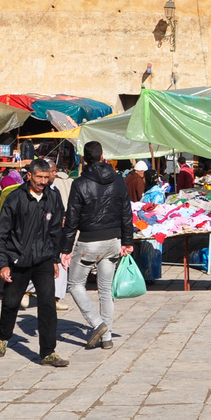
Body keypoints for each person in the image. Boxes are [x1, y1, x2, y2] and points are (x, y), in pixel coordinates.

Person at [0, 159, 68, 366]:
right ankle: (3, 338)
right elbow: (2, 232)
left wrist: (53, 259)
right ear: (29, 176)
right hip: (18, 259)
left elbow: (55, 232)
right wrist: (3, 263)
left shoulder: (52, 197)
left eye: (46, 177)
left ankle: (48, 352)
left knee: (47, 304)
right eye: (39, 177)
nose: (42, 181)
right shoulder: (16, 199)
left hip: (43, 259)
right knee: (10, 302)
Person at [62, 141, 135, 350]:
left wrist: (66, 249)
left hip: (89, 241)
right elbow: (126, 214)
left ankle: (97, 323)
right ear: (103, 157)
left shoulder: (79, 183)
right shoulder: (118, 181)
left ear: (85, 159)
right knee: (105, 290)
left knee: (75, 284)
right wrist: (127, 241)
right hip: (113, 241)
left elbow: (72, 219)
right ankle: (107, 337)